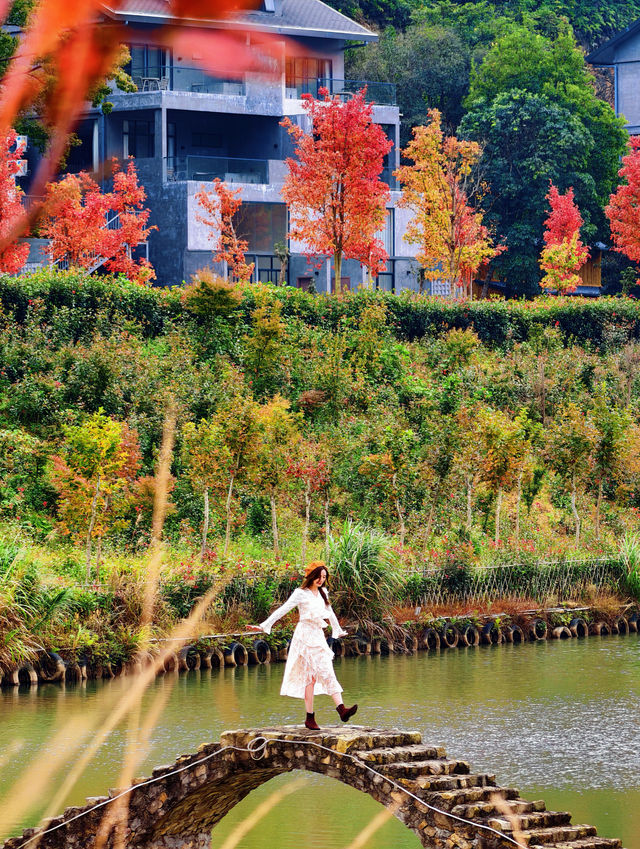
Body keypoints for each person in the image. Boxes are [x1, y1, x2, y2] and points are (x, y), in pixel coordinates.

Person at [247, 561, 358, 730]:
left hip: (318, 635)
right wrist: (264, 625)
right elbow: (282, 610)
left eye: (324, 577)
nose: (321, 580)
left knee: (324, 671)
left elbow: (330, 613)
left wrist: (337, 630)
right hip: (304, 636)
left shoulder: (323, 593)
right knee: (310, 677)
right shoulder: (300, 593)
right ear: (311, 576)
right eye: (319, 577)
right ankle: (317, 715)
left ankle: (338, 711)